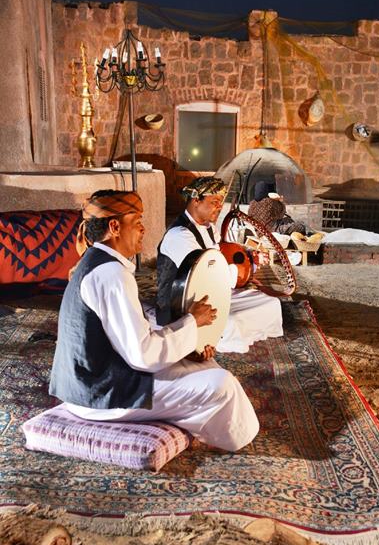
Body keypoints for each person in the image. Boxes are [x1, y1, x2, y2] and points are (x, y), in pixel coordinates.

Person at [49, 189, 259, 452]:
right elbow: (143, 355)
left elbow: (133, 338)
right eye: (136, 221)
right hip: (99, 394)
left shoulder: (98, 263)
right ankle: (241, 442)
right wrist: (193, 321)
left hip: (97, 380)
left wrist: (188, 345)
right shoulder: (111, 274)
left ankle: (185, 414)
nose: (143, 229)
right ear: (114, 227)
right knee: (221, 385)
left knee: (202, 365)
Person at [156, 176, 283, 354]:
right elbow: (206, 275)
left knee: (271, 303)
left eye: (221, 203)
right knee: (233, 321)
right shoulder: (179, 235)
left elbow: (219, 261)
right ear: (196, 201)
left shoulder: (209, 228)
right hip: (183, 305)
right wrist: (241, 271)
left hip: (210, 293)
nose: (219, 207)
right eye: (214, 202)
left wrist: (249, 261)